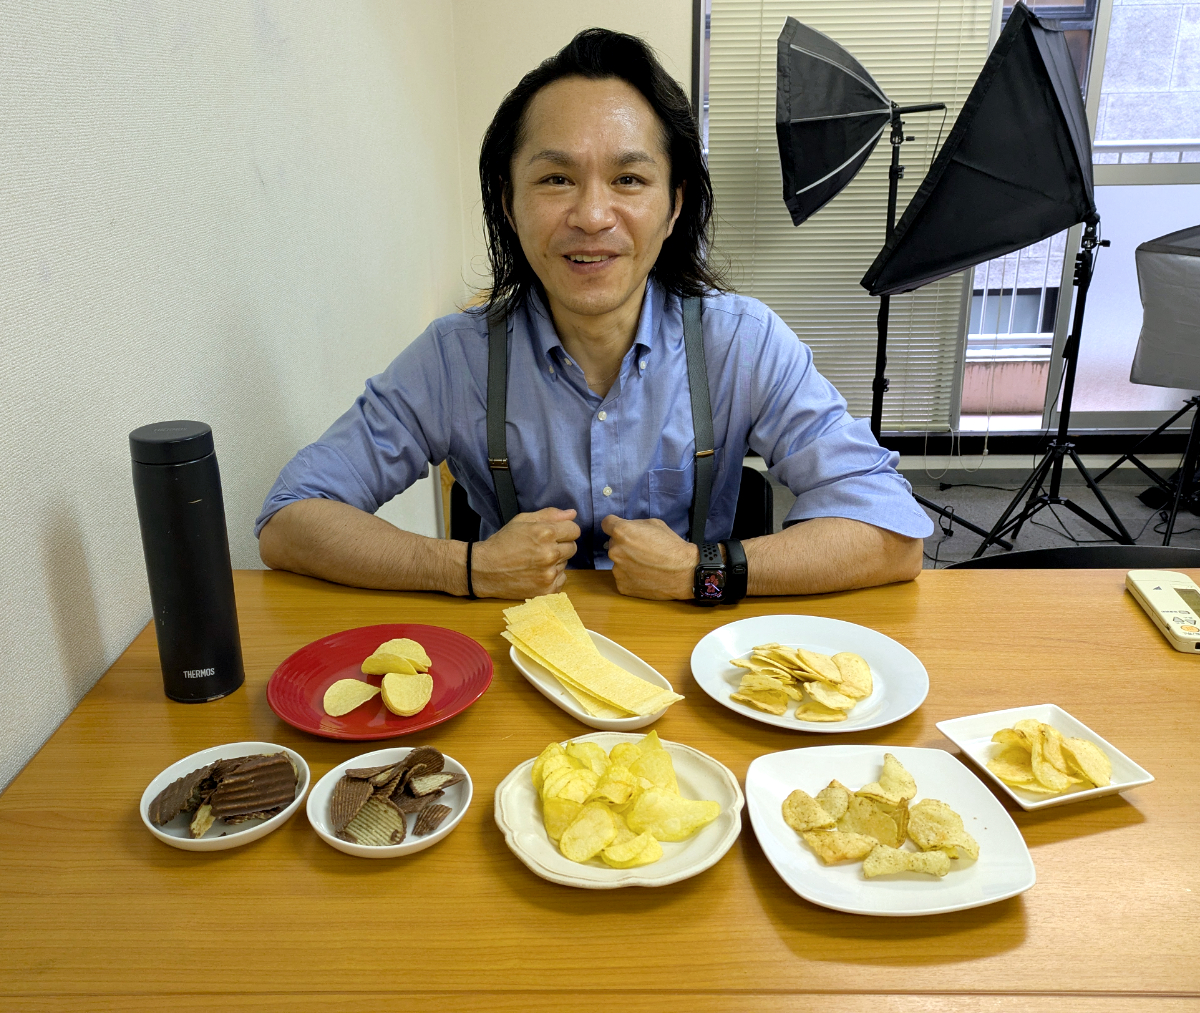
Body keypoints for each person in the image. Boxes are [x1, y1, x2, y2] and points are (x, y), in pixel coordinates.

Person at [257, 29, 933, 602]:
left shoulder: (743, 343)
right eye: (556, 179)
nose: (591, 215)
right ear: (509, 203)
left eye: (628, 179)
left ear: (674, 205)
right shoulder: (454, 359)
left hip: (692, 665)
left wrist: (703, 569)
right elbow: (290, 520)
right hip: (518, 668)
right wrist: (467, 568)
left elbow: (892, 534)